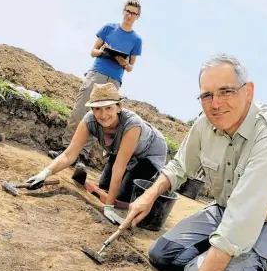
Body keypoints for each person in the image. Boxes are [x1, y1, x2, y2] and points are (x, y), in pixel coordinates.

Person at [119, 54, 267, 271]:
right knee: (161, 255)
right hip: (223, 211)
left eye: (226, 91)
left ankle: (265, 267)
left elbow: (242, 218)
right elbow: (179, 166)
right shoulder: (204, 124)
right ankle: (214, 257)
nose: (215, 104)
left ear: (248, 91)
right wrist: (148, 196)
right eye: (207, 95)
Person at [27, 83, 167, 212]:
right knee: (105, 186)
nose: (103, 114)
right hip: (120, 151)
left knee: (122, 197)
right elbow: (69, 154)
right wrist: (44, 173)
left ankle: (146, 196)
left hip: (149, 153)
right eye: (97, 109)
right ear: (92, 109)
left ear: (118, 107)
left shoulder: (132, 125)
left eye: (108, 108)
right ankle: (102, 192)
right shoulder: (89, 120)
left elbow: (119, 167)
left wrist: (109, 206)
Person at [48, 0, 143, 166]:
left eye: (133, 13)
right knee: (79, 110)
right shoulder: (108, 28)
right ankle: (66, 149)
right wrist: (101, 51)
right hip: (97, 72)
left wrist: (125, 64)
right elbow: (93, 51)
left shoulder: (136, 40)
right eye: (127, 11)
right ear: (123, 11)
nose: (129, 15)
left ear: (138, 17)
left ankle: (82, 156)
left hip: (114, 80)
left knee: (100, 118)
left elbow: (130, 67)